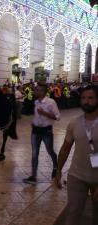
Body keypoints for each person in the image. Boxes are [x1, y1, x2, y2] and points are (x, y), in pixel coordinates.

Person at [55, 85, 98, 225]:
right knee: (73, 213)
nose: (86, 101)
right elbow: (65, 148)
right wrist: (58, 170)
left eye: (90, 98)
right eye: (83, 98)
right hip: (76, 175)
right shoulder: (74, 122)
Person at [23, 83, 60, 184]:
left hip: (46, 132)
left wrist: (45, 113)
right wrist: (34, 122)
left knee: (50, 151)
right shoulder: (36, 102)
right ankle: (33, 176)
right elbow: (37, 115)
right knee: (34, 154)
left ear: (44, 92)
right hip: (35, 131)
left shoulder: (51, 102)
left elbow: (58, 117)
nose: (36, 92)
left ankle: (56, 167)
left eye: (38, 90)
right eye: (36, 90)